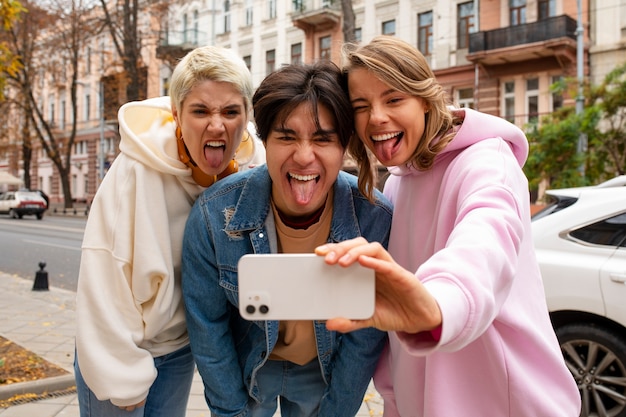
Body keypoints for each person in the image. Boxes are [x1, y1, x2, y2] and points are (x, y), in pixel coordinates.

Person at [316, 36, 582, 416]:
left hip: (506, 404)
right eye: (361, 106)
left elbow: (485, 240)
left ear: (425, 99)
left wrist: (439, 302)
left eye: (393, 99)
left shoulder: (487, 161)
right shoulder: (397, 181)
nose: (376, 117)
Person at [181, 61, 393, 417]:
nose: (304, 156)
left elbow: (365, 337)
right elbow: (207, 327)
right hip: (248, 368)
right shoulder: (215, 214)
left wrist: (336, 411)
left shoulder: (373, 216)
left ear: (344, 146)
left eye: (323, 138)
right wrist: (232, 411)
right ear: (265, 141)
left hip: (322, 371)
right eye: (287, 136)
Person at [74, 45, 263, 417]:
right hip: (123, 351)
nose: (216, 124)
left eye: (230, 111)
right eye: (200, 111)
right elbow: (103, 276)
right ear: (177, 114)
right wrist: (123, 376)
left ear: (246, 115)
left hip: (178, 350)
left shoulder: (251, 166)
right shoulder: (137, 170)